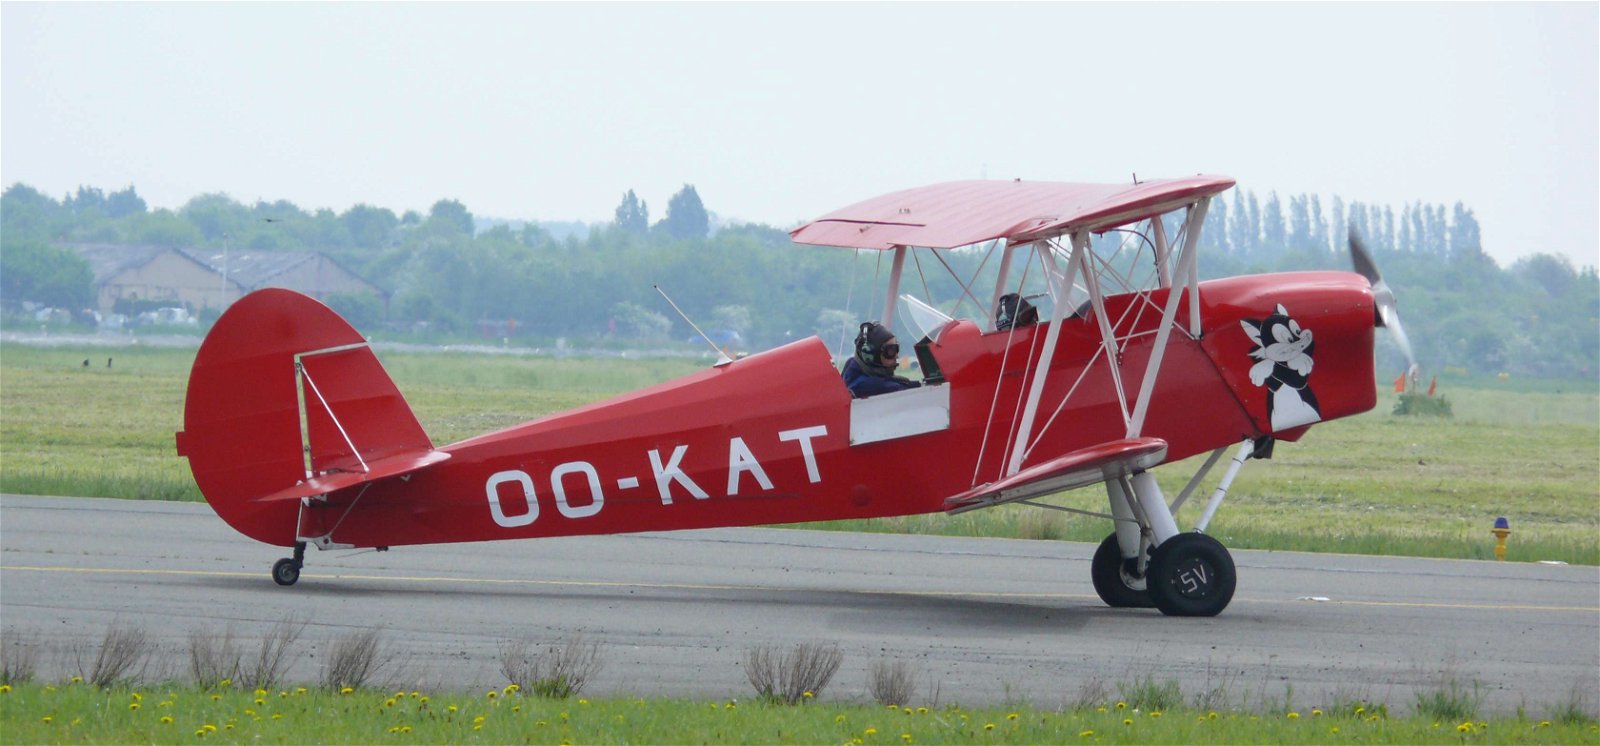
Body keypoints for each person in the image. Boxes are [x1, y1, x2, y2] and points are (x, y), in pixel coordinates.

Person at [841, 321, 920, 398]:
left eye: (896, 348)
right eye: (891, 350)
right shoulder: (875, 387)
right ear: (871, 356)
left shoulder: (853, 372)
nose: (897, 356)